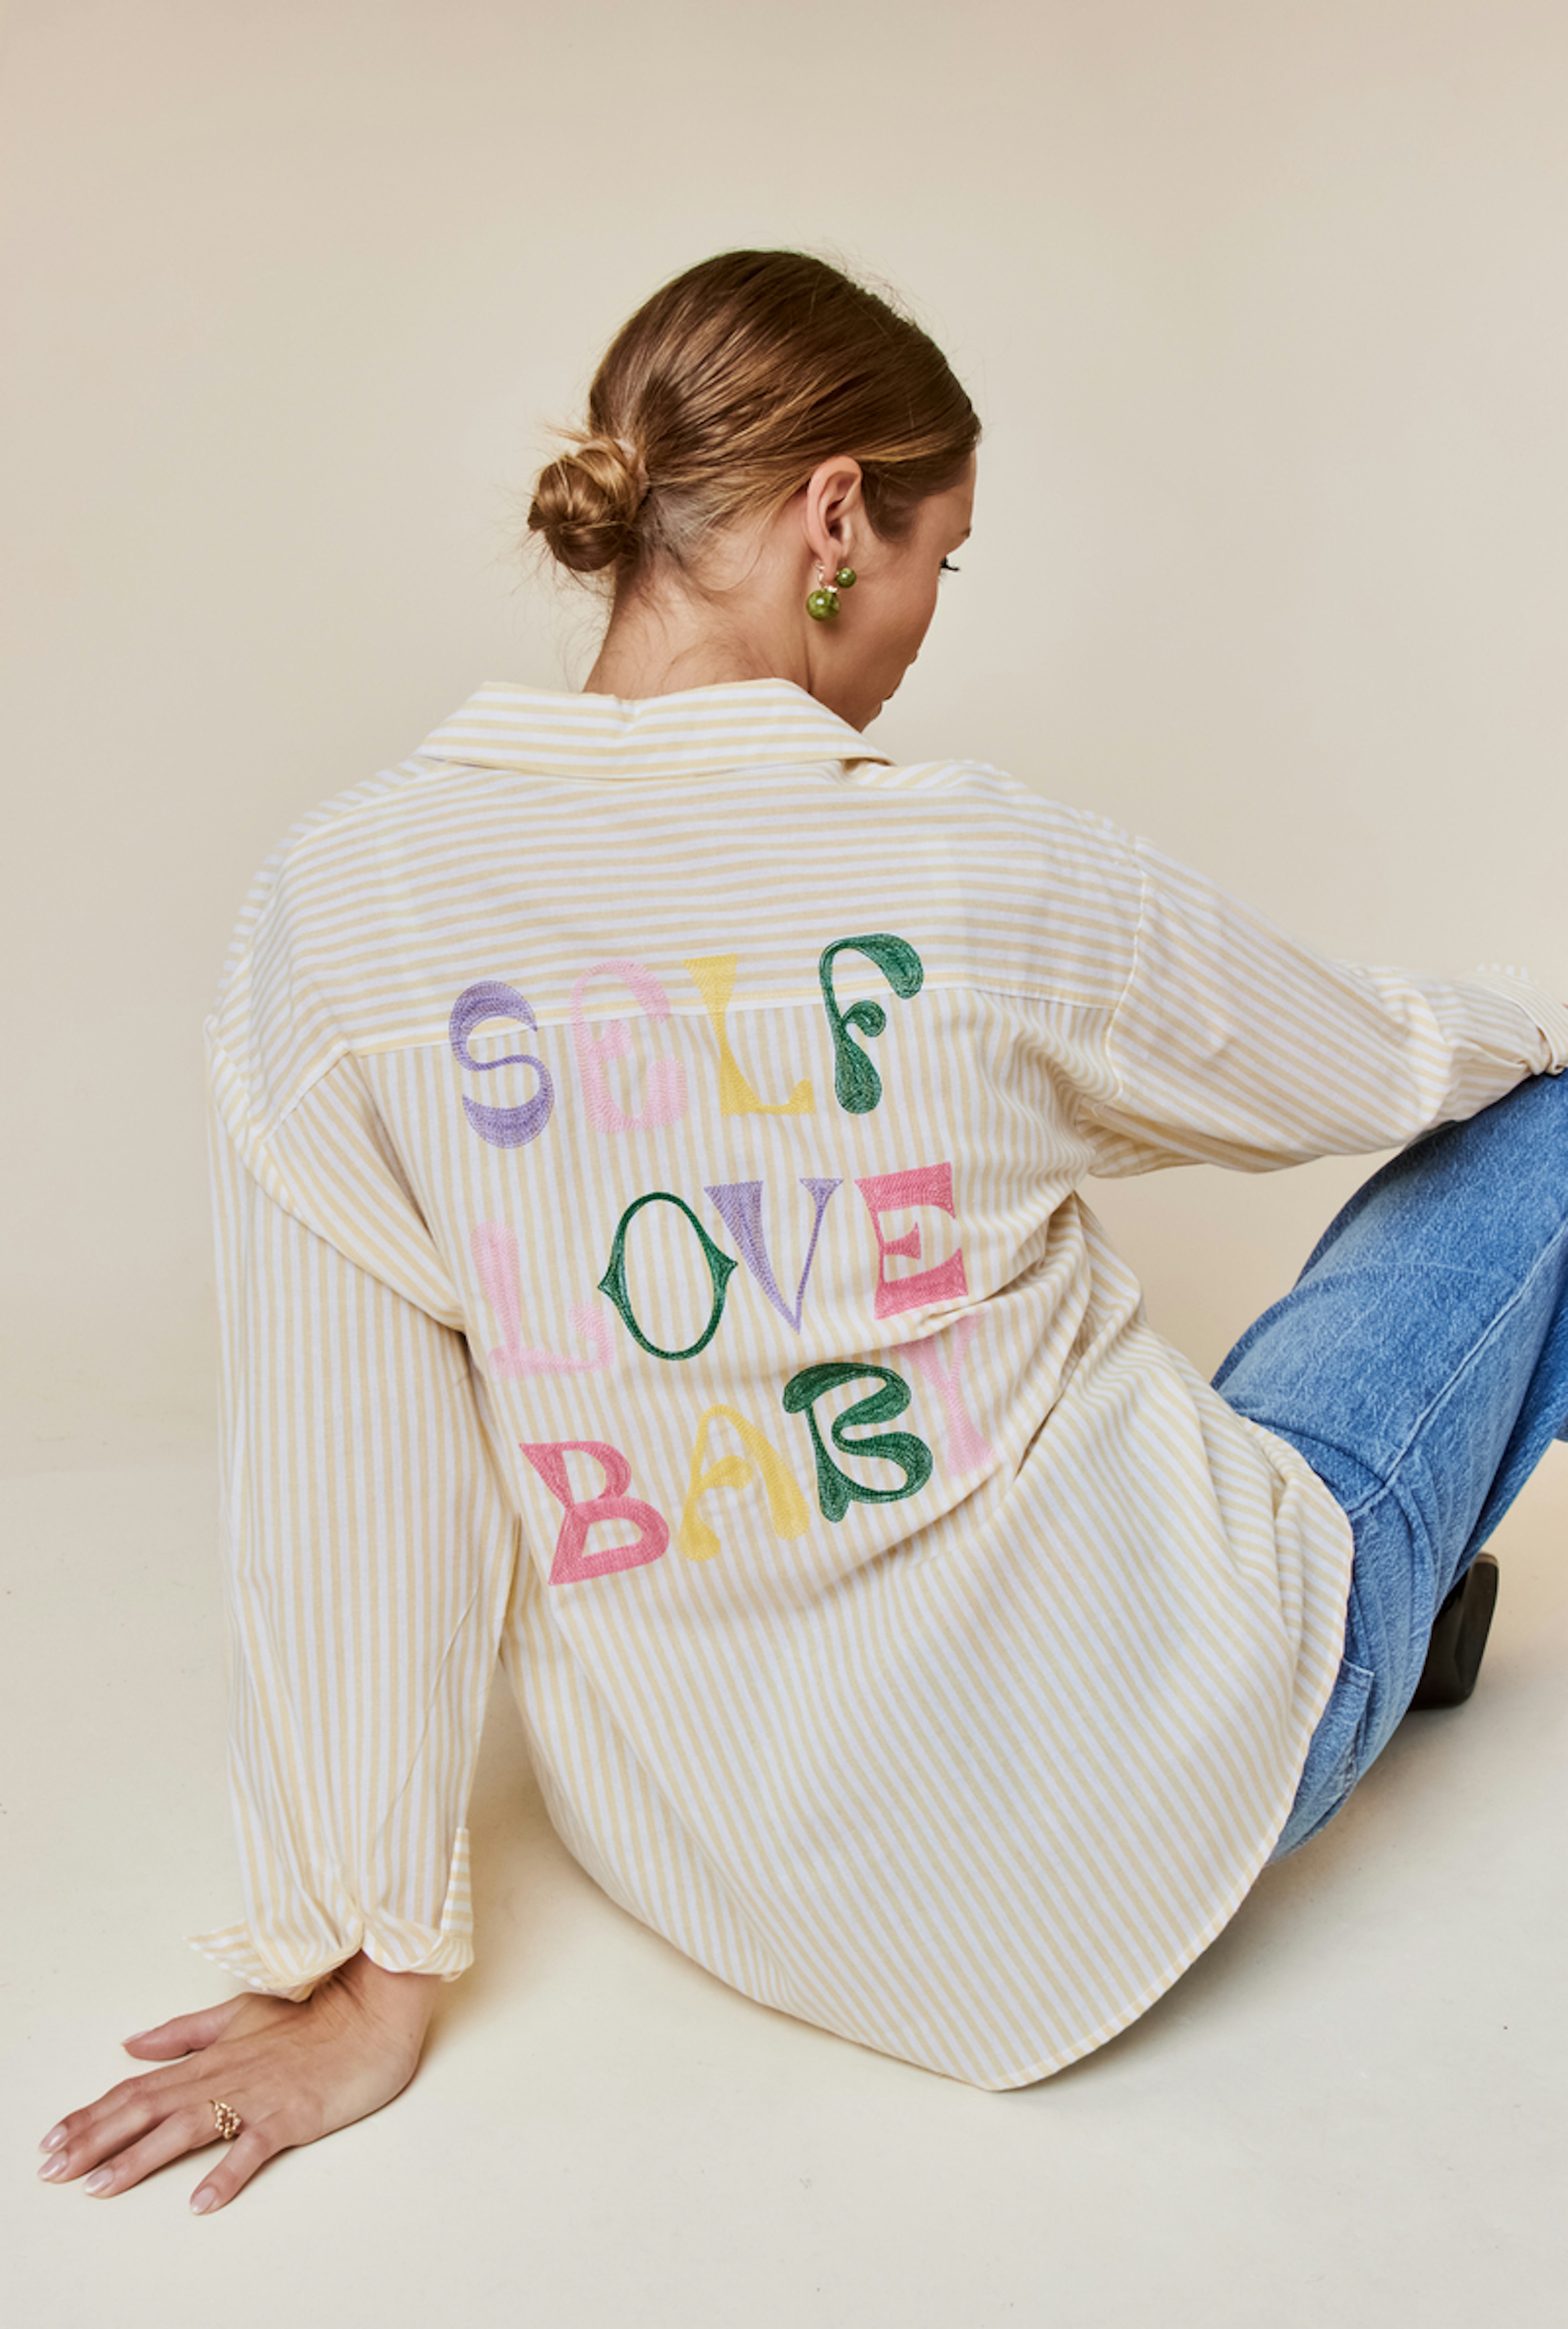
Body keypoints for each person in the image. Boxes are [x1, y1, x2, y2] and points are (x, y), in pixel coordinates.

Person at [38, 249, 1568, 2214]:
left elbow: (351, 1474)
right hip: (1141, 1820)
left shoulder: (342, 916)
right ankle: (1389, 1617)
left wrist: (366, 1955)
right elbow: (1374, 1059)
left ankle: (1403, 1608)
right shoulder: (975, 866)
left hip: (725, 1870)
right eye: (942, 555)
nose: (926, 621)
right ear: (836, 518)